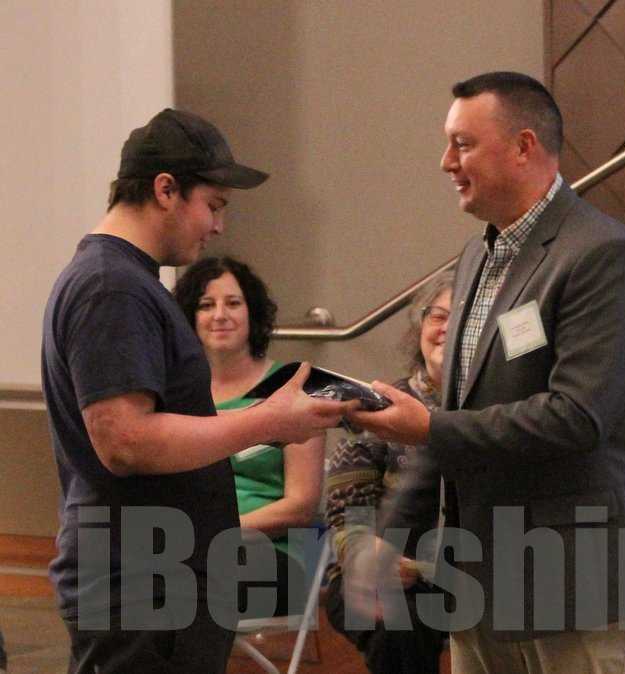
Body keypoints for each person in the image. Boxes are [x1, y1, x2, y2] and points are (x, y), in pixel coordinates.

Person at [348, 71, 625, 674]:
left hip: (578, 584)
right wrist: (389, 538)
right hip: (482, 586)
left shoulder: (602, 252)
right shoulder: (478, 254)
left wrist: (428, 427)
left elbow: (579, 416)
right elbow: (456, 420)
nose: (446, 162)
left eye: (463, 144)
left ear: (524, 146)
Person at [40, 108, 354, 674]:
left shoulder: (123, 281)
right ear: (166, 190)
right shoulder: (113, 287)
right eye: (213, 205)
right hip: (144, 588)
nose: (218, 226)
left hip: (158, 582)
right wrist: (269, 421)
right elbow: (126, 441)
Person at [173, 256, 323, 618]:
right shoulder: (177, 396)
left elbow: (301, 507)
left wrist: (218, 535)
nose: (219, 315)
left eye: (233, 303)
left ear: (252, 312)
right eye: (206, 305)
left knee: (182, 585)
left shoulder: (293, 390)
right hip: (190, 549)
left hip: (272, 555)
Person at [321, 271, 452, 674]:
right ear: (419, 329)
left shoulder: (502, 413)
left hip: (477, 570)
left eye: (461, 317)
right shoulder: (381, 407)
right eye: (437, 316)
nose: (446, 328)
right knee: (396, 622)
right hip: (382, 572)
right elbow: (347, 510)